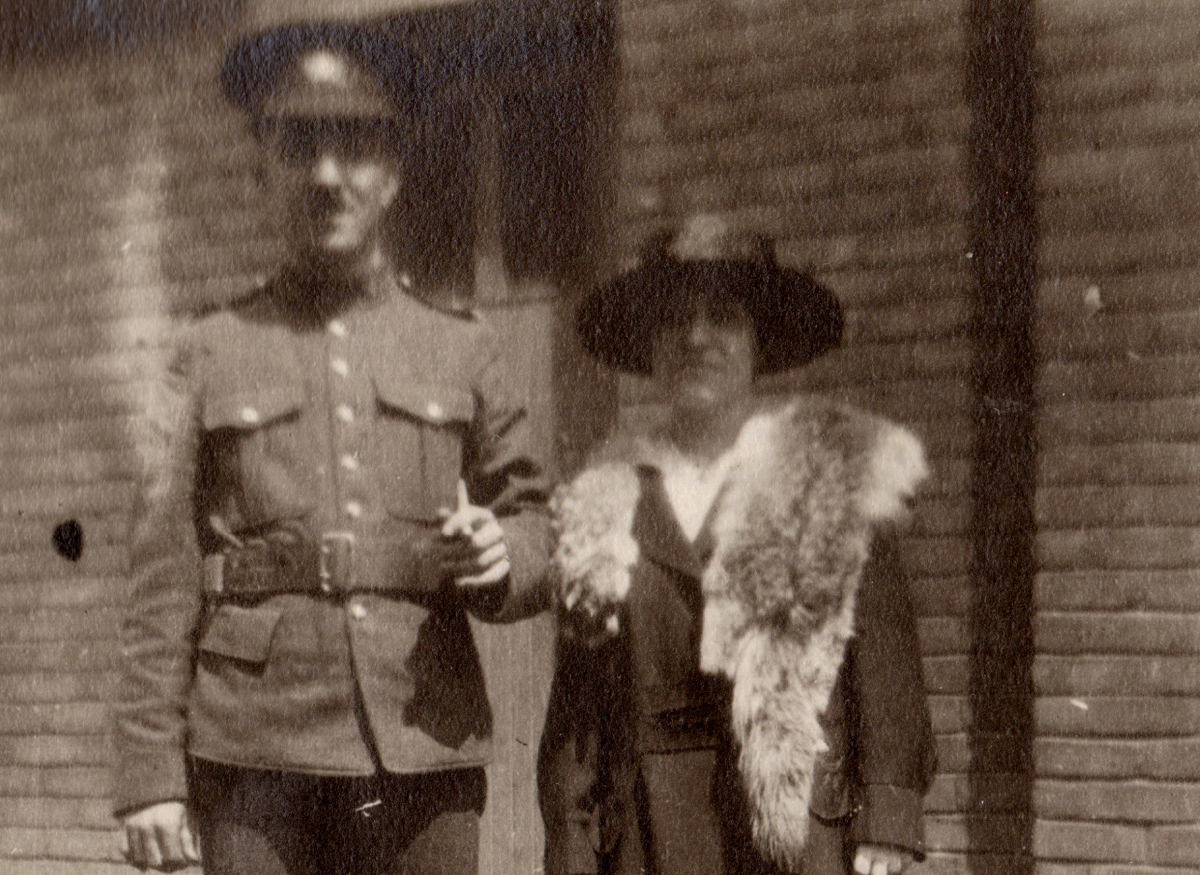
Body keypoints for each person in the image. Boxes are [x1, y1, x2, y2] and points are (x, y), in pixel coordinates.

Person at [113, 29, 551, 875]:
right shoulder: (205, 352)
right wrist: (147, 776)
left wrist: (504, 558)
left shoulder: (460, 346)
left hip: (422, 739)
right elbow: (160, 574)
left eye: (353, 146)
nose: (326, 175)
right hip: (252, 754)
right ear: (261, 173)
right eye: (298, 147)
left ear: (392, 174)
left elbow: (538, 517)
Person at [537, 214, 937, 875]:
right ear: (649, 345)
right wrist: (571, 844)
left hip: (793, 824)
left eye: (722, 316)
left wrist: (889, 818)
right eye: (674, 319)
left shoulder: (830, 478)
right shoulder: (605, 501)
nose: (696, 337)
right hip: (644, 831)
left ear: (758, 341)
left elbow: (887, 663)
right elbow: (578, 713)